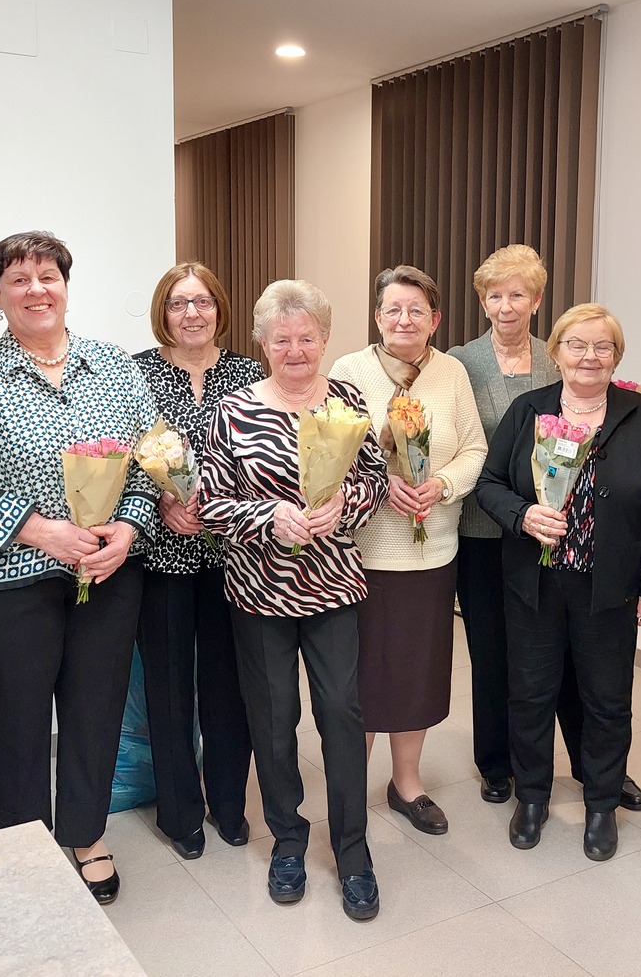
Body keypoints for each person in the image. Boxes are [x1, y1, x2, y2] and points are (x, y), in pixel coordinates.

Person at [0, 232, 157, 906]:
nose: (36, 289)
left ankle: (87, 834)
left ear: (65, 284)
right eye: (19, 279)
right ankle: (21, 848)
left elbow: (153, 458)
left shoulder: (115, 367)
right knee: (15, 721)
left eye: (48, 275)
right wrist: (40, 531)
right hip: (0, 581)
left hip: (105, 573)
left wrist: (128, 527)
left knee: (95, 710)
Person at [197, 279, 388, 921]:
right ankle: (288, 839)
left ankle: (353, 851)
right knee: (274, 721)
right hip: (259, 592)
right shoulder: (232, 410)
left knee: (342, 715)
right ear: (263, 343)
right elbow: (211, 502)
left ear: (325, 339)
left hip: (334, 585)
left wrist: (346, 504)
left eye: (307, 338)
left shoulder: (347, 399)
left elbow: (375, 478)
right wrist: (268, 517)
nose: (296, 350)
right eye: (283, 340)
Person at [476, 304, 641, 861]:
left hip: (609, 589)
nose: (589, 356)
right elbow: (490, 483)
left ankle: (601, 804)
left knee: (607, 700)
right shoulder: (529, 410)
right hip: (534, 584)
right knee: (530, 694)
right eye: (577, 345)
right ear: (557, 353)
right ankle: (532, 797)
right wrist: (523, 515)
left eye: (602, 347)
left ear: (616, 356)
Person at [450, 245, 641, 812]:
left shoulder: (560, 353)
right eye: (495, 295)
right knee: (495, 654)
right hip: (488, 530)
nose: (506, 306)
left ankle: (593, 766)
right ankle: (499, 764)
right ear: (482, 301)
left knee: (568, 659)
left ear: (537, 300)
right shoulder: (461, 362)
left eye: (518, 294)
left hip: (565, 537)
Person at [329, 265, 487, 835]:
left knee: (417, 672)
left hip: (430, 552)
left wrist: (439, 484)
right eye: (393, 309)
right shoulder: (349, 371)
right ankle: (350, 789)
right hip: (362, 554)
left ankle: (407, 783)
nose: (404, 319)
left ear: (435, 319)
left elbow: (474, 449)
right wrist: (382, 480)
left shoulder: (451, 373)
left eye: (416, 310)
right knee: (361, 678)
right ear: (377, 317)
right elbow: (327, 452)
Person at [133, 262, 262, 859]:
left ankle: (229, 804)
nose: (192, 313)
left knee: (228, 687)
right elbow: (123, 456)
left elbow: (267, 455)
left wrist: (222, 506)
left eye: (203, 301)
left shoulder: (248, 373)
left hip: (236, 556)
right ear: (163, 311)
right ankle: (179, 810)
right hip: (162, 557)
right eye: (179, 303)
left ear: (219, 308)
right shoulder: (135, 374)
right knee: (168, 690)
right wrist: (162, 502)